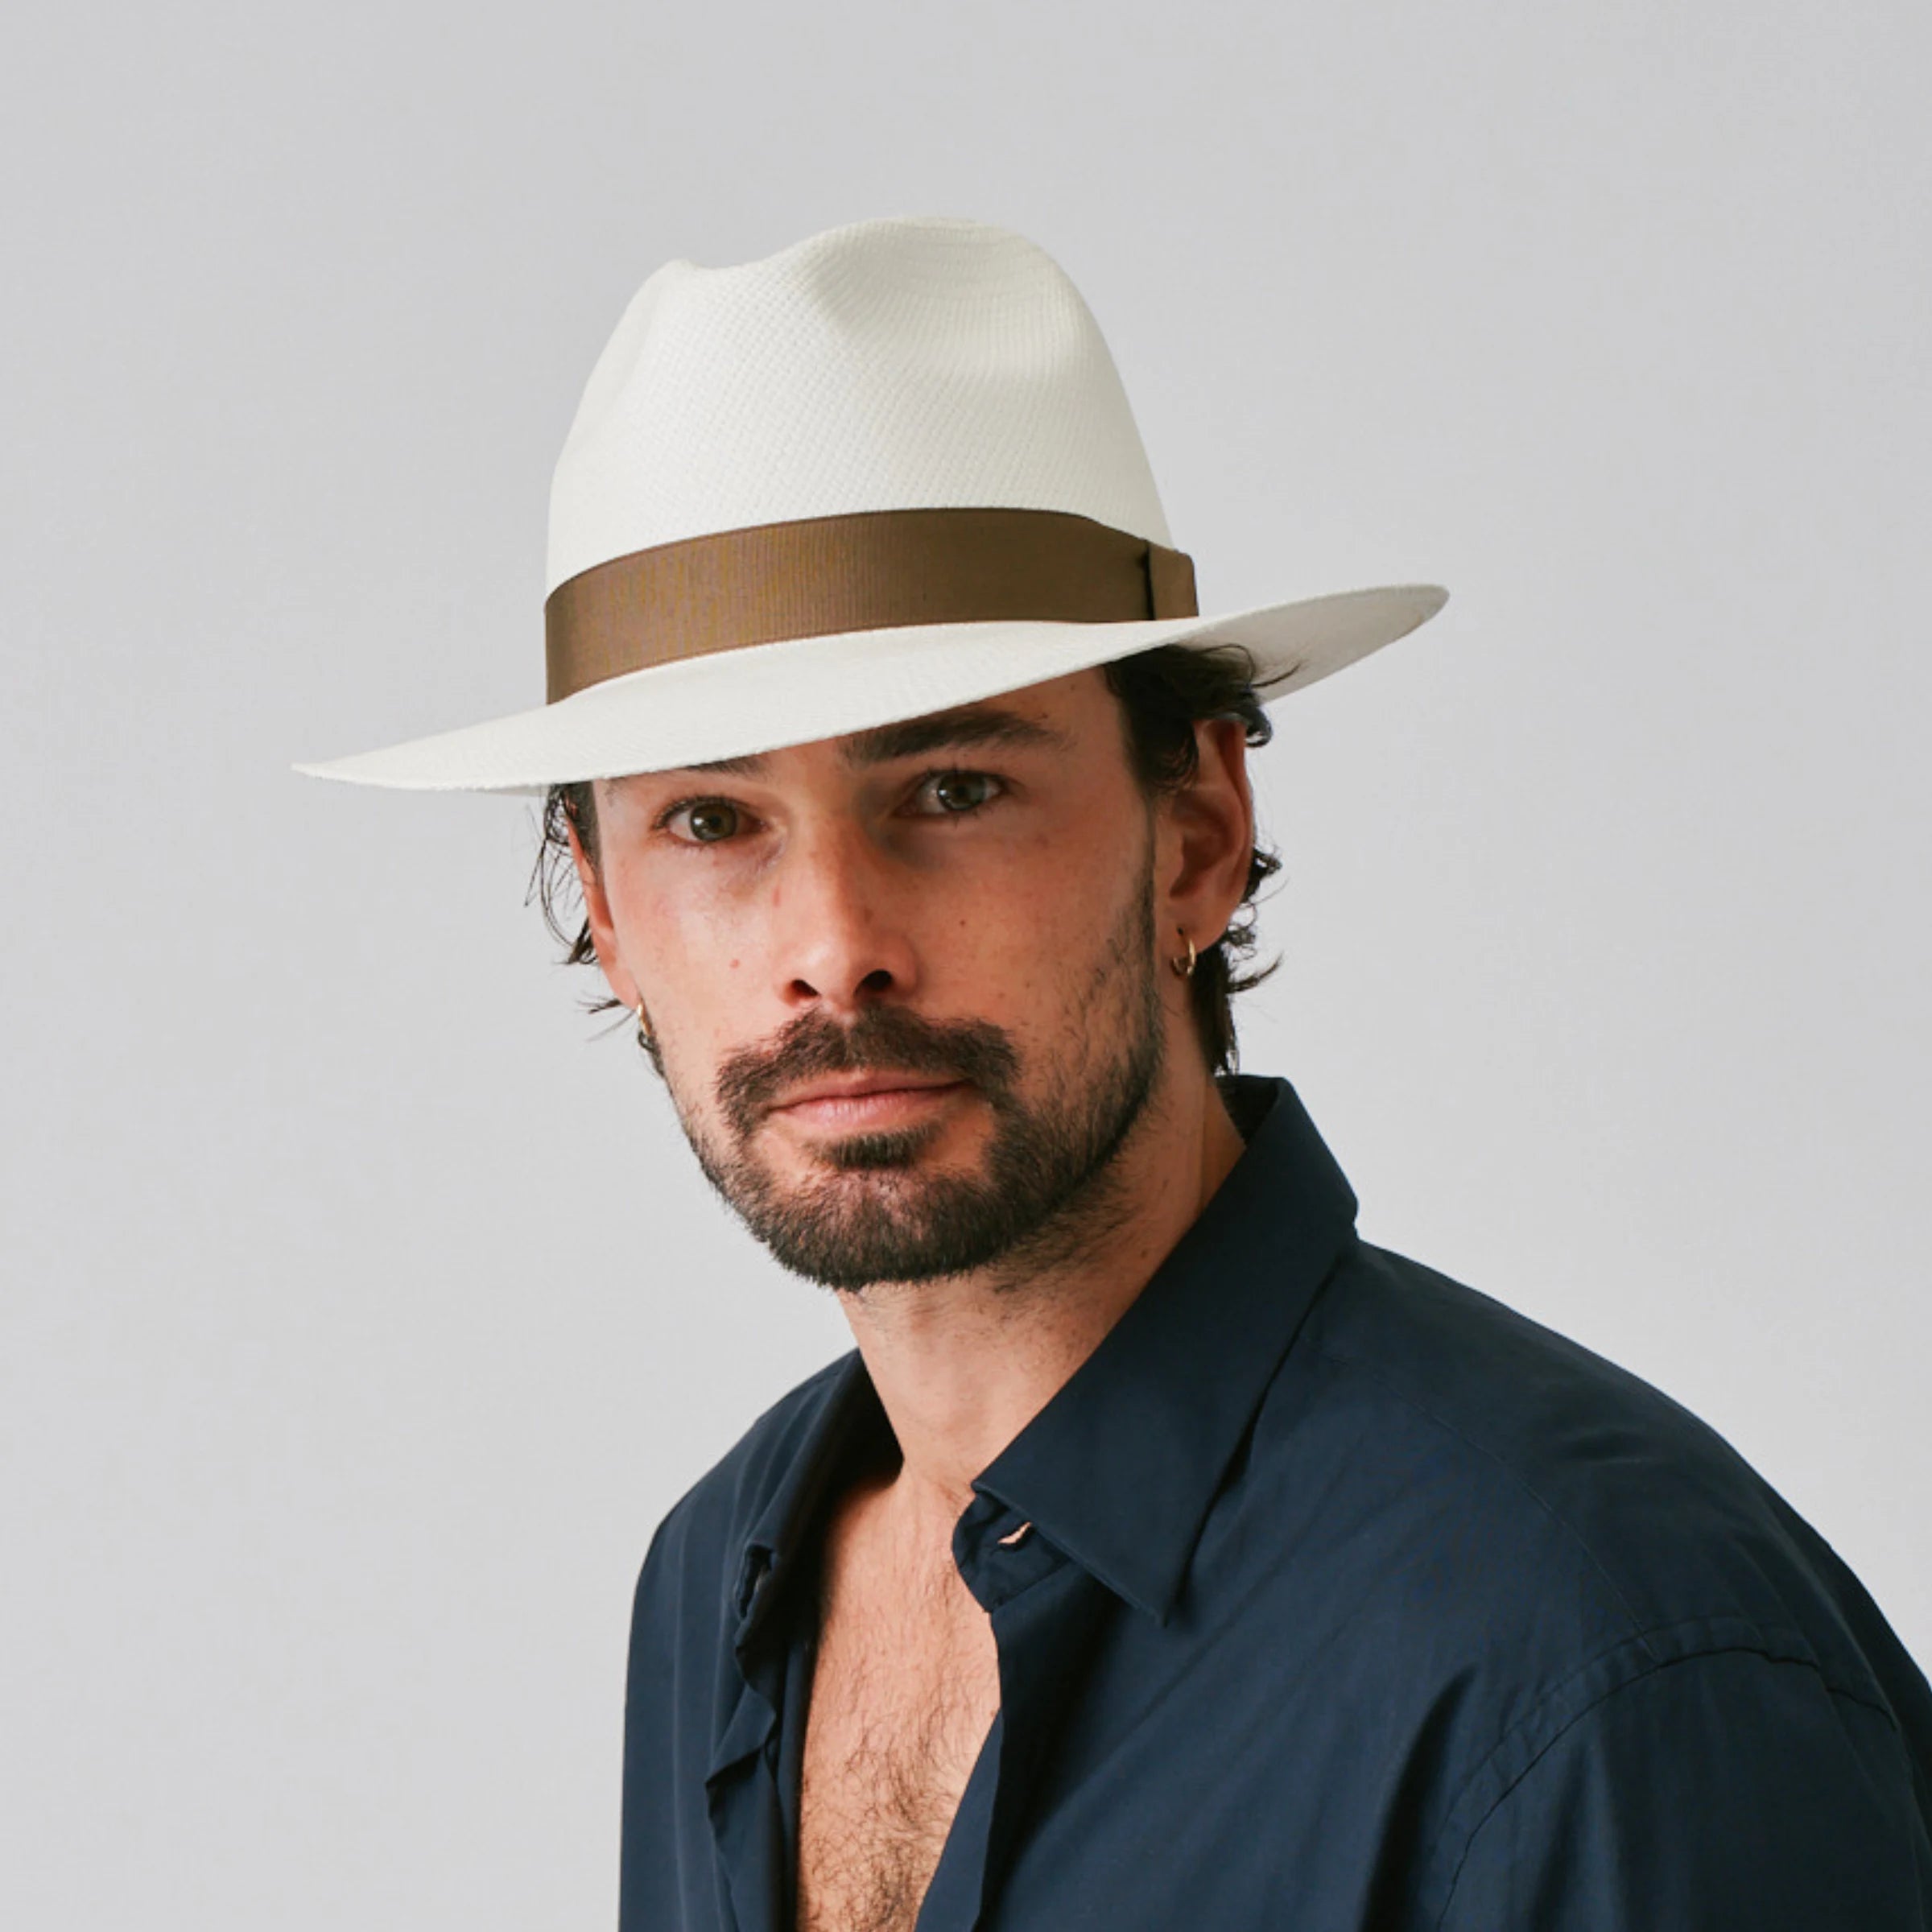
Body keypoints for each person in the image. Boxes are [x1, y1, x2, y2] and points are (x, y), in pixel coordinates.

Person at [299, 217, 1932, 1930]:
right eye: (713, 820)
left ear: (1197, 838)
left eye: (949, 789)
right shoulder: (721, 1580)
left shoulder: (1594, 1655)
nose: (832, 941)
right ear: (610, 916)